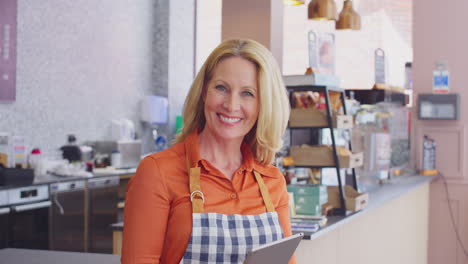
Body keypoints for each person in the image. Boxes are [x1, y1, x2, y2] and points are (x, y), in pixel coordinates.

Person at [122, 38, 295, 264]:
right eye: (221, 88)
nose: (231, 105)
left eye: (248, 93)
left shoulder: (272, 181)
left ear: (264, 104)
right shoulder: (157, 172)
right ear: (204, 91)